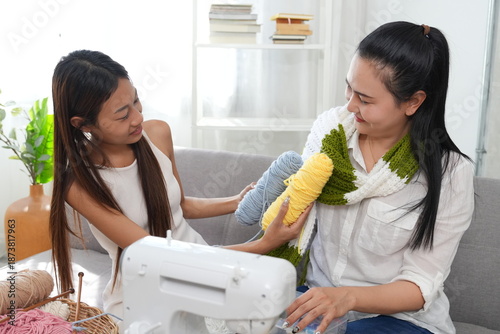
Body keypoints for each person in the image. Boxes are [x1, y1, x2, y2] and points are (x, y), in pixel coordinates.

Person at [49, 50, 309, 323]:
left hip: (206, 274)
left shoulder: (157, 134)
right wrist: (265, 244)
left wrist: (237, 200)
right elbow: (160, 256)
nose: (137, 117)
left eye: (136, 101)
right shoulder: (79, 185)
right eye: (122, 115)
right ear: (83, 124)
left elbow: (179, 205)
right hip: (144, 296)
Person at [281, 21, 474, 334]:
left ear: (413, 101)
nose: (350, 105)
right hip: (318, 299)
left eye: (365, 100)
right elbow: (296, 203)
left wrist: (348, 297)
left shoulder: (450, 173)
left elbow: (419, 285)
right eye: (349, 88)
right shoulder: (331, 133)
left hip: (399, 321)